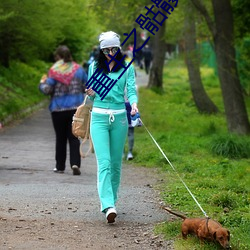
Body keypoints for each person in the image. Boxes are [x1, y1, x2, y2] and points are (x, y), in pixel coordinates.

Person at [86, 31, 138, 223]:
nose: (110, 52)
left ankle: (112, 201)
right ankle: (107, 205)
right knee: (105, 163)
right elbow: (91, 96)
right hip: (98, 117)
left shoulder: (127, 68)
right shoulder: (94, 67)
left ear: (119, 49)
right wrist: (90, 92)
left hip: (120, 118)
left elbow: (131, 90)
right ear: (101, 50)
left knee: (116, 164)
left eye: (113, 49)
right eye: (106, 49)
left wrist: (134, 104)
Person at [39, 45, 87, 175]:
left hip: (58, 109)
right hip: (75, 109)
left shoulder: (54, 71)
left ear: (58, 57)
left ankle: (60, 167)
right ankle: (75, 163)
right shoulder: (79, 70)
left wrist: (42, 83)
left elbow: (47, 90)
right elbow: (86, 86)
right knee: (74, 136)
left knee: (60, 138)